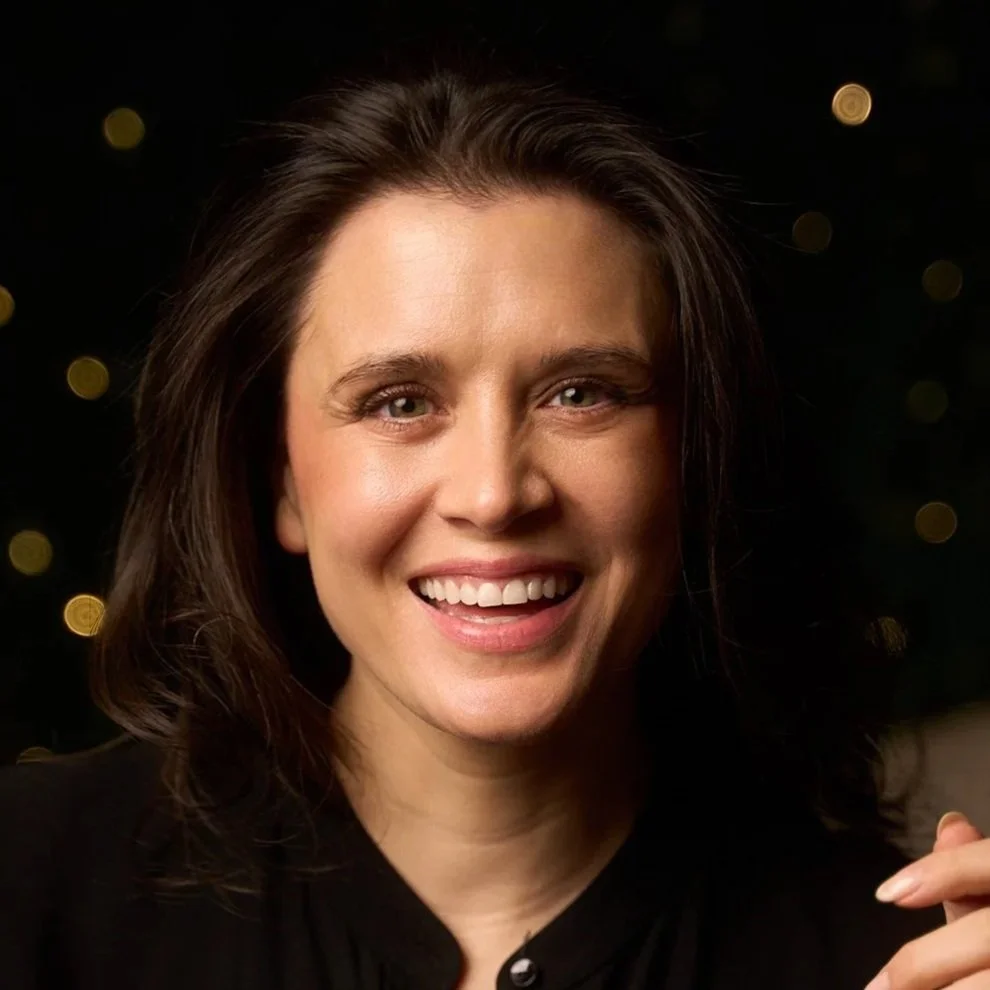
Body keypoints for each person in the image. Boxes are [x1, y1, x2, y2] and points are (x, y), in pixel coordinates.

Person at [2, 44, 989, 990]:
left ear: (691, 458)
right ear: (283, 484)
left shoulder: (890, 958)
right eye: (399, 402)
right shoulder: (30, 886)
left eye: (582, 393)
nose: (493, 492)